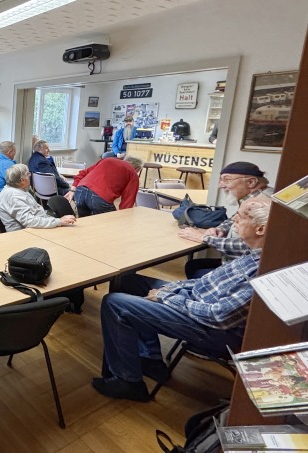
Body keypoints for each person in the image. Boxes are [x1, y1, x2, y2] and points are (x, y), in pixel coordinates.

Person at [92, 196, 272, 402]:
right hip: (197, 301)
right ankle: (150, 358)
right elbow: (207, 282)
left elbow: (218, 316)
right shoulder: (253, 251)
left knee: (114, 304)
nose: (233, 219)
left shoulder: (264, 268)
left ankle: (128, 381)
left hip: (211, 327)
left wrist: (166, 296)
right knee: (128, 281)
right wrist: (174, 288)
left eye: (240, 217)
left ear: (260, 229)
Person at [178, 161, 270, 278]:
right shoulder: (253, 197)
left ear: (251, 182)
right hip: (237, 261)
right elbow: (234, 218)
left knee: (196, 270)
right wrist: (220, 229)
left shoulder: (263, 202)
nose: (220, 185)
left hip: (245, 269)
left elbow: (249, 245)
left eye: (226, 180)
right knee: (193, 265)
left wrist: (203, 238)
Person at [0, 164, 76, 231]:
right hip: (26, 233)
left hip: (34, 227)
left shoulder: (18, 189)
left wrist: (55, 221)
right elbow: (29, 221)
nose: (30, 176)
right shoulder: (13, 196)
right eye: (28, 174)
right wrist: (58, 222)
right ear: (22, 180)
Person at [64, 156, 143, 216]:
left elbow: (81, 174)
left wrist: (72, 190)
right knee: (110, 223)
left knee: (85, 222)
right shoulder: (133, 174)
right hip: (99, 196)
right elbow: (127, 202)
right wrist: (124, 217)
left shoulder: (107, 160)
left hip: (80, 190)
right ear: (138, 169)